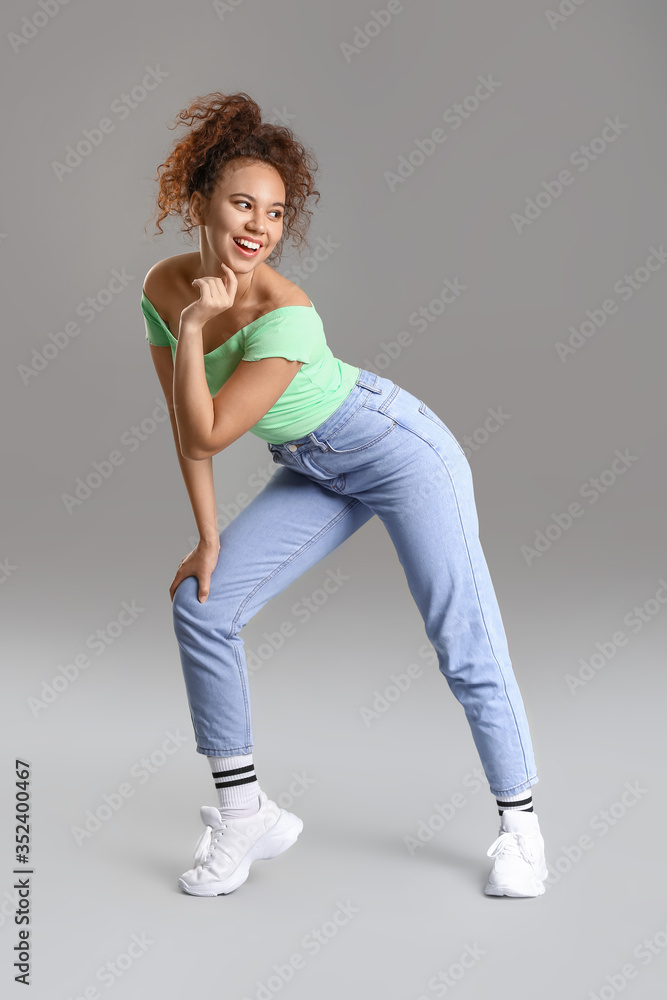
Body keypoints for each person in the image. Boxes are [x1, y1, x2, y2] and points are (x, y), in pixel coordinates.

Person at [141, 91, 548, 899]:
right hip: (313, 464)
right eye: (242, 204)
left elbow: (209, 433)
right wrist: (208, 538)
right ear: (201, 201)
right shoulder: (164, 285)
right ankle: (245, 814)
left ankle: (522, 830)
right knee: (202, 605)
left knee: (460, 637)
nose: (259, 227)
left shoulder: (285, 315)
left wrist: (192, 330)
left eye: (275, 213)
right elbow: (180, 423)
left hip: (398, 453)